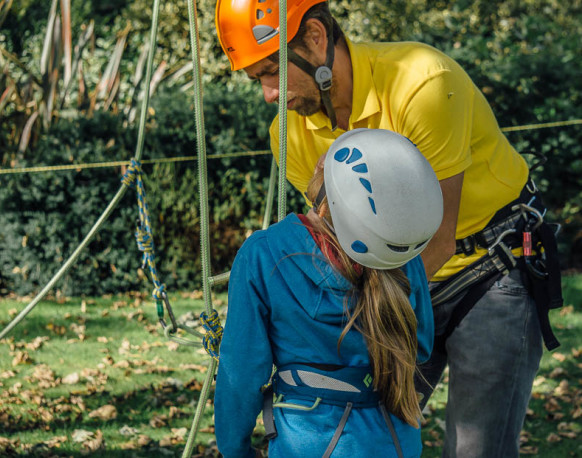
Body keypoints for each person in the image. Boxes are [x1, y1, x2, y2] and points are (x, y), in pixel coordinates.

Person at [215, 1, 564, 457]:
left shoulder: (422, 83)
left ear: (316, 38)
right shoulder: (290, 135)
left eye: (271, 71)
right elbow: (339, 246)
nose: (268, 93)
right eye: (256, 78)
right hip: (399, 281)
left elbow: (437, 235)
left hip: (487, 269)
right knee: (369, 423)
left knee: (477, 449)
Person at [214, 128, 444, 457]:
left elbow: (241, 374)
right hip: (395, 437)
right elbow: (420, 346)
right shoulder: (402, 258)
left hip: (311, 440)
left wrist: (234, 449)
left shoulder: (264, 254)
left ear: (327, 199)